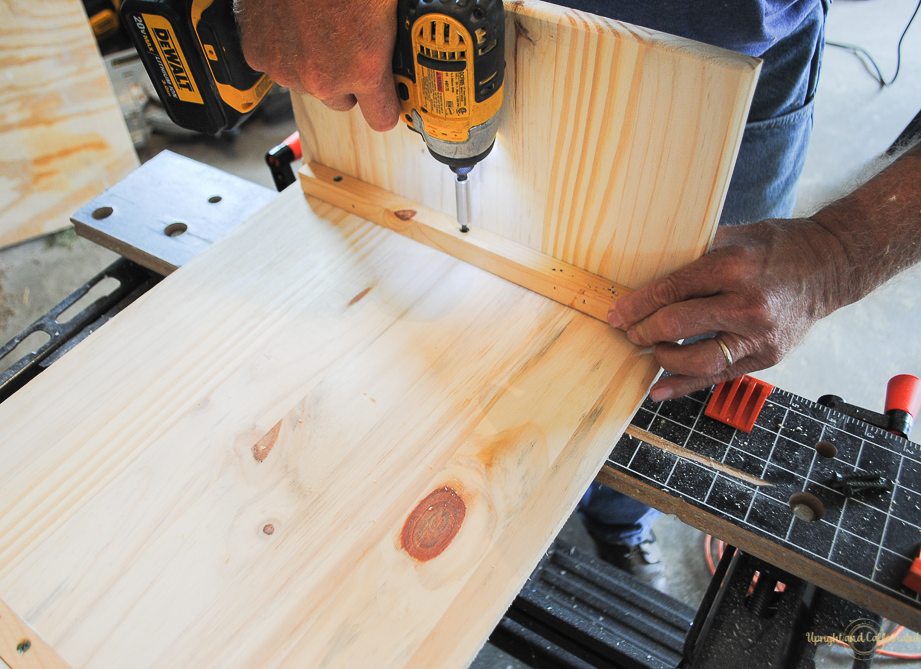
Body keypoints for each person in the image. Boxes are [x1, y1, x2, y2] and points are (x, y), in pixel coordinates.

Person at [234, 0, 921, 591]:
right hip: (419, 37)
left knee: (676, 359)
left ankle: (619, 524)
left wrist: (838, 252)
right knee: (474, 364)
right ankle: (519, 518)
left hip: (721, 66)